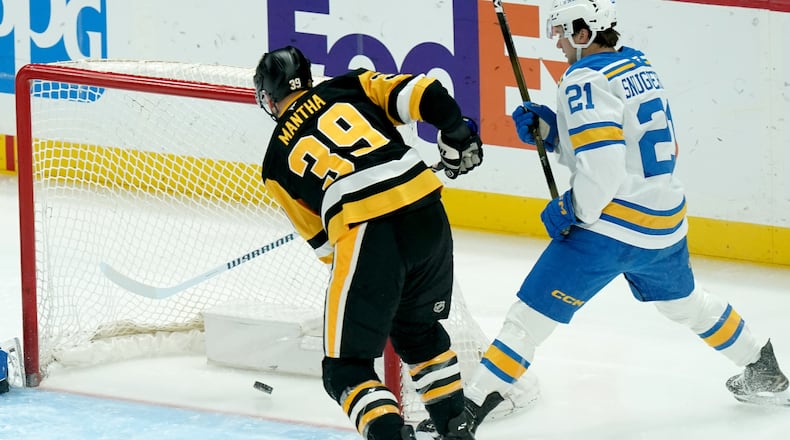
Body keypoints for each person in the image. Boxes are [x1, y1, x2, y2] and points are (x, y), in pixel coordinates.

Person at [419, 0, 788, 436]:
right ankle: (761, 365)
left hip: (609, 230)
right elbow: (625, 146)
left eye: (560, 32)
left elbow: (605, 169)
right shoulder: (635, 64)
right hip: (664, 222)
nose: (555, 40)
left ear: (584, 32)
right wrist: (556, 135)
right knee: (686, 304)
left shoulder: (583, 80)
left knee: (528, 319)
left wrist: (572, 209)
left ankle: (466, 412)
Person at [253, 45, 483, 440]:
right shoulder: (350, 85)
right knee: (419, 333)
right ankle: (456, 429)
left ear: (269, 99)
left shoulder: (275, 162)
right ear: (307, 80)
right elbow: (426, 92)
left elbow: (328, 248)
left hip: (368, 236)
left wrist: (377, 278)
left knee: (346, 369)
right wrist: (456, 131)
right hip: (427, 211)